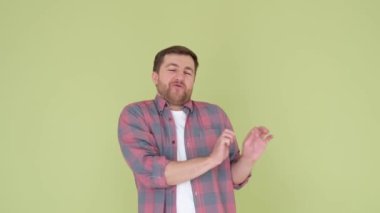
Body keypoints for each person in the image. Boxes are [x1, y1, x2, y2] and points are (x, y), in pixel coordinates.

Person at [118, 45, 273, 213]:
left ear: (193, 80)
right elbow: (153, 173)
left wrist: (248, 158)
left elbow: (231, 179)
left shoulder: (216, 115)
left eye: (187, 72)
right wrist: (211, 160)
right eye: (172, 69)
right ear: (155, 77)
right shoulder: (136, 115)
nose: (180, 77)